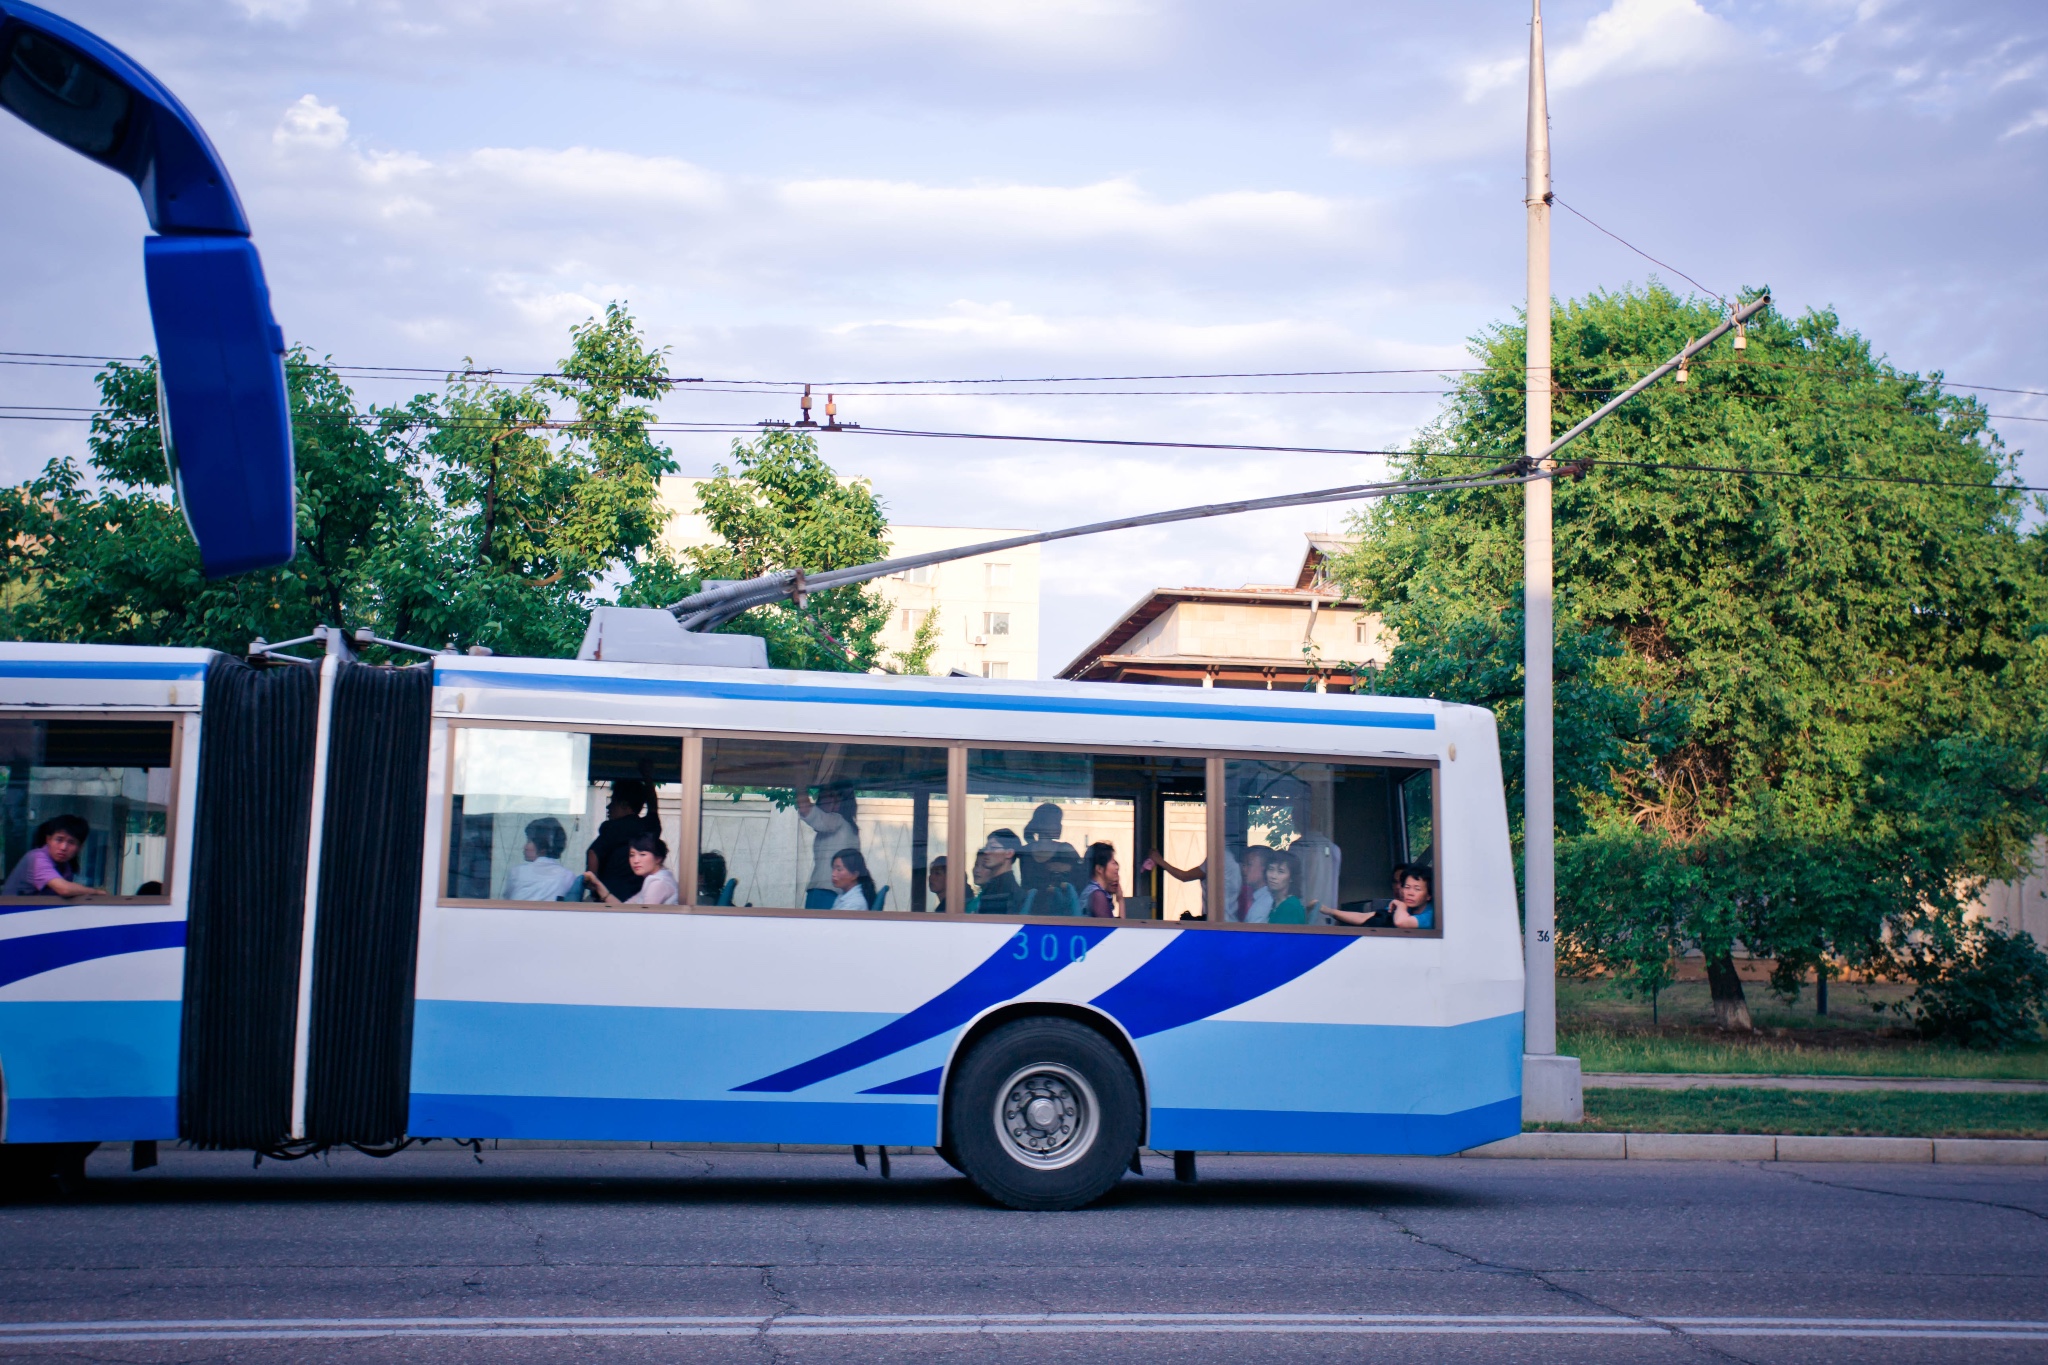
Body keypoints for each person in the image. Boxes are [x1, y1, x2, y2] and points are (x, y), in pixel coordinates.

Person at [586, 780, 662, 902]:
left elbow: (593, 853)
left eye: (613, 802)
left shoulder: (613, 827)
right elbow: (653, 806)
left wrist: (593, 885)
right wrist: (648, 776)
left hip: (610, 897)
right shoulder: (649, 826)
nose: (608, 806)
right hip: (638, 898)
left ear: (625, 805)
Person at [1, 815, 103, 899]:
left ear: (80, 847)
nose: (63, 847)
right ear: (48, 840)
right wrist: (95, 892)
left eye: (71, 842)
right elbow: (64, 889)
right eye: (59, 839)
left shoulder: (66, 866)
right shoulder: (37, 858)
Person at [794, 780, 859, 910]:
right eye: (822, 795)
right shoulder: (849, 828)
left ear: (840, 801)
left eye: (828, 796)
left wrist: (799, 780)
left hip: (825, 893)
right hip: (831, 893)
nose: (822, 800)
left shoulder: (837, 821)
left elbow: (806, 809)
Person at [583, 833, 679, 906]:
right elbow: (623, 909)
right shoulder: (655, 879)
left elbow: (643, 919)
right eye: (632, 855)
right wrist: (598, 885)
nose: (635, 860)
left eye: (642, 855)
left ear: (658, 858)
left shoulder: (658, 882)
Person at [503, 816, 580, 901]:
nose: (524, 847)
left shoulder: (517, 873)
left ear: (543, 847)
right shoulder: (568, 876)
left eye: (529, 841)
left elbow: (507, 900)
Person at [967, 829, 1023, 914]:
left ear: (1009, 853)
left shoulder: (1004, 889)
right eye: (986, 847)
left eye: (993, 847)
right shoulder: (995, 885)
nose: (986, 852)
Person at [1263, 848, 1316, 925]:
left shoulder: (1290, 907)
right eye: (1271, 869)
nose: (1273, 876)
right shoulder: (1277, 903)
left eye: (1281, 871)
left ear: (1291, 877)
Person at [1082, 842, 1122, 919]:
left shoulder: (1096, 891)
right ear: (1099, 869)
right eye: (1113, 863)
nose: (1117, 867)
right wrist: (1120, 900)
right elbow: (1116, 929)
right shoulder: (1098, 895)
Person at [1390, 865, 1435, 930]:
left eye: (1417, 889)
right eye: (1407, 887)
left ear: (1429, 895)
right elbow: (1377, 914)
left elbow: (1400, 922)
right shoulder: (1407, 907)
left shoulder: (1432, 915)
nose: (1410, 893)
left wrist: (1401, 905)